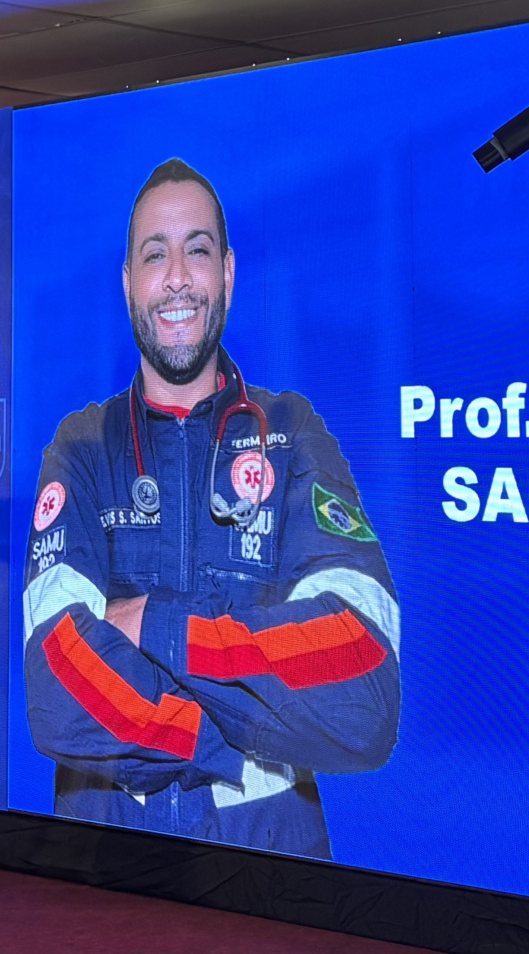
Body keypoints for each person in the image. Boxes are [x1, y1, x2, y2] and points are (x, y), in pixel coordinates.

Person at [21, 159, 401, 859]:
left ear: (226, 273)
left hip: (270, 861)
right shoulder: (82, 447)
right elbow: (58, 681)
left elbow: (360, 682)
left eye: (197, 250)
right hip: (104, 856)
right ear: (128, 282)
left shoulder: (292, 434)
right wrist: (225, 735)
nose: (176, 278)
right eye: (154, 255)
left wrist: (155, 627)